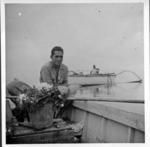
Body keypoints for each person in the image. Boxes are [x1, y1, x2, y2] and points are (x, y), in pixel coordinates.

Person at [40, 46, 71, 118]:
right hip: (46, 95)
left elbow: (66, 83)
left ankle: (58, 116)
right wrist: (61, 89)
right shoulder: (46, 68)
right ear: (51, 57)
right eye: (56, 56)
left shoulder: (65, 68)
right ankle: (52, 116)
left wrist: (64, 90)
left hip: (59, 94)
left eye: (61, 57)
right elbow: (48, 87)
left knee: (71, 94)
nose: (59, 59)